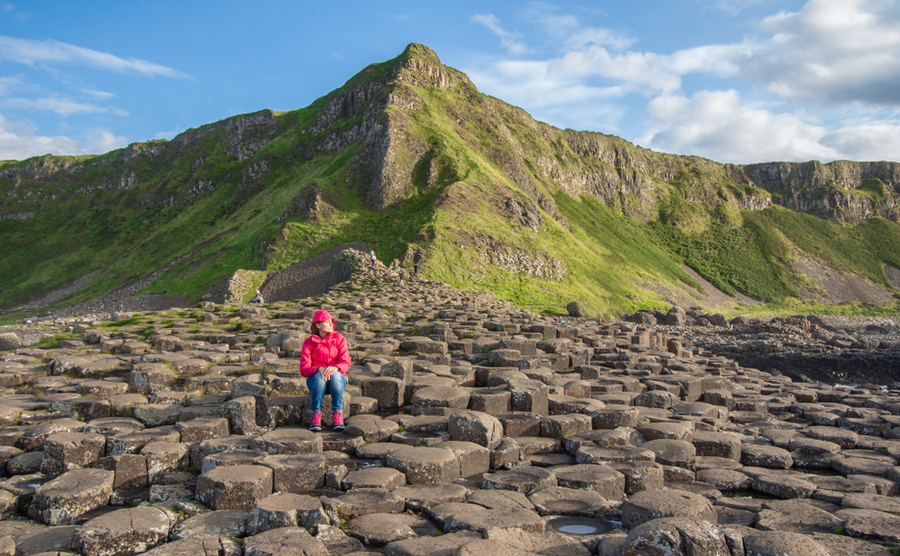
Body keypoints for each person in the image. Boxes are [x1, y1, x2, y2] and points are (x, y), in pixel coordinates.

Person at [299, 310, 351, 431]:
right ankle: (315, 415)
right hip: (316, 380)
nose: (331, 324)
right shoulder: (308, 343)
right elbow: (304, 369)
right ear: (318, 325)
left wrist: (336, 367)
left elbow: (346, 362)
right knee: (319, 378)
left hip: (336, 378)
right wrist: (318, 369)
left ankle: (338, 414)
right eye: (327, 322)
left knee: (336, 376)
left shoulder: (340, 339)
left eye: (331, 322)